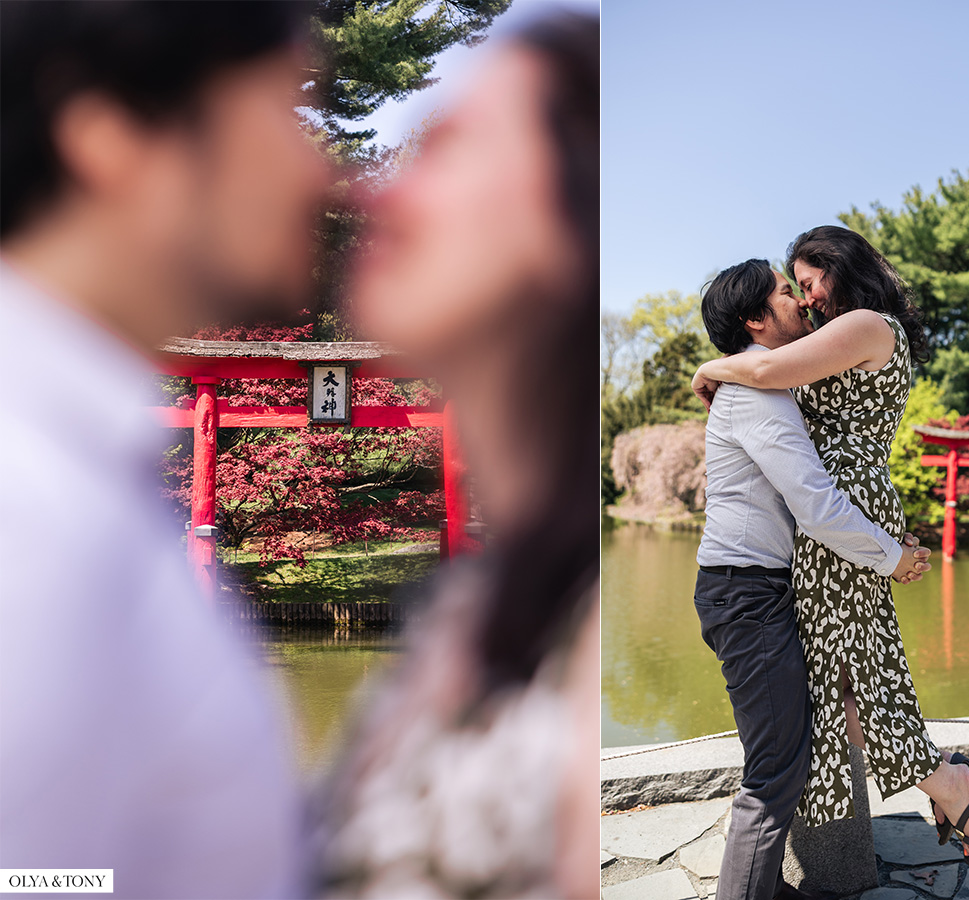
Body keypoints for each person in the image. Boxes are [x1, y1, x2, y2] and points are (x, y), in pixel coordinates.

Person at [0, 2, 330, 896]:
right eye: (279, 107)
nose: (317, 168)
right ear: (110, 134)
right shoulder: (28, 513)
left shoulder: (69, 461)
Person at [312, 11, 599, 899]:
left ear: (583, 201)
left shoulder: (587, 670)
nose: (376, 193)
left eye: (448, 146)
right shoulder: (470, 612)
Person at [692, 229, 969, 866]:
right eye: (793, 289)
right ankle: (944, 784)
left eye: (808, 281)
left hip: (839, 506)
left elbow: (768, 368)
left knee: (856, 679)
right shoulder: (837, 336)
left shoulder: (864, 322)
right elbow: (775, 383)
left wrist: (710, 366)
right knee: (840, 684)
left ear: (840, 269)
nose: (805, 298)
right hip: (837, 510)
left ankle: (951, 785)